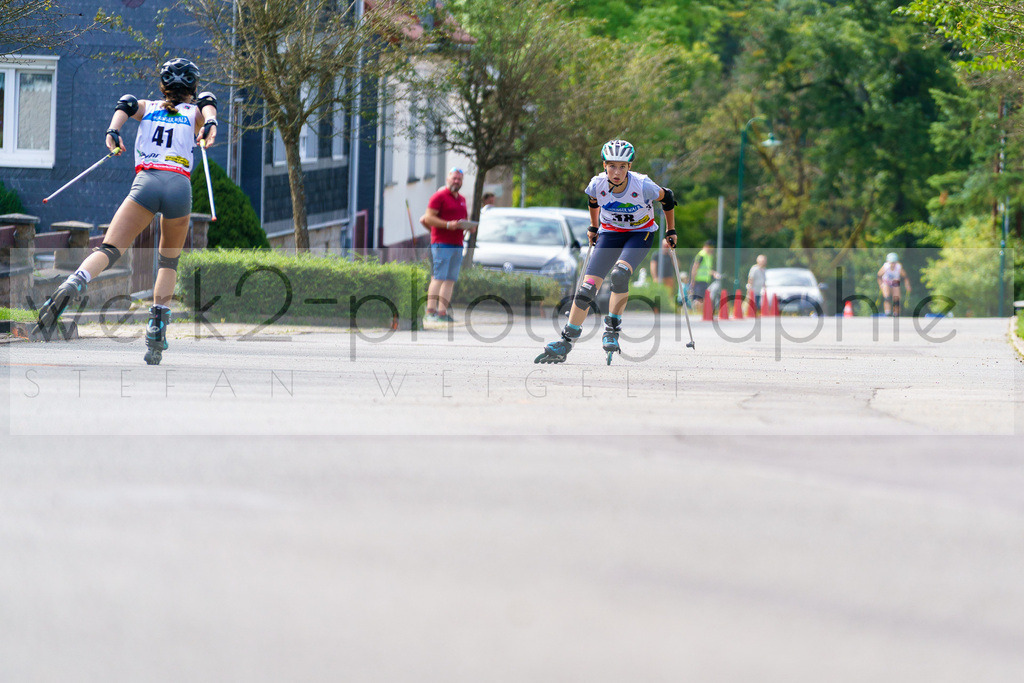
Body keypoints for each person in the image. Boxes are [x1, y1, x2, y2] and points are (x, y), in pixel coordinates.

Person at [35, 58, 218, 365]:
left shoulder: (148, 106)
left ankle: (73, 283)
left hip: (145, 183)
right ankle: (157, 327)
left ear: (163, 87)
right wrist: (210, 123)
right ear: (192, 89)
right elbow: (209, 102)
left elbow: (127, 102)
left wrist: (113, 131)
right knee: (168, 261)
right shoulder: (195, 112)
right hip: (178, 186)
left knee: (110, 248)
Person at [535, 139, 676, 364]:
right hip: (610, 233)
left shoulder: (643, 185)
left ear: (630, 166)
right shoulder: (597, 184)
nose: (617, 172)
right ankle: (566, 340)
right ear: (604, 165)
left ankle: (612, 328)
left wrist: (671, 230)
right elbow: (593, 201)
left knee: (620, 275)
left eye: (622, 166)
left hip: (640, 233)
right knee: (587, 289)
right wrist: (593, 226)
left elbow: (667, 198)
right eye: (612, 165)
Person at [420, 167, 476, 323]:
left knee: (450, 279)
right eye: (454, 178)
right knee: (438, 277)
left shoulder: (462, 199)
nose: (456, 181)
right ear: (447, 179)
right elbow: (428, 218)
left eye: (459, 179)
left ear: (462, 181)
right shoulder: (439, 196)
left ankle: (442, 312)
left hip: (457, 244)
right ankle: (430, 311)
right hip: (441, 243)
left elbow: (462, 219)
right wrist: (446, 225)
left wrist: (469, 226)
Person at [877, 251, 911, 316]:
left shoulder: (899, 267)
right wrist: (880, 284)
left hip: (895, 282)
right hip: (886, 282)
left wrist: (907, 285)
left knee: (896, 299)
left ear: (896, 262)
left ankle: (896, 312)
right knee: (887, 298)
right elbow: (879, 275)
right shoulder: (885, 267)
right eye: (891, 263)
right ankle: (888, 312)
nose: (892, 265)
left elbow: (905, 276)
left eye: (894, 263)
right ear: (888, 262)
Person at [689, 239, 720, 306]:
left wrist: (713, 273)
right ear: (707, 246)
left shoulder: (709, 256)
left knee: (702, 299)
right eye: (711, 247)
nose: (712, 250)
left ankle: (699, 313)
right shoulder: (701, 255)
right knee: (699, 299)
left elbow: (707, 269)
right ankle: (696, 313)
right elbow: (695, 267)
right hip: (699, 280)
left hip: (705, 280)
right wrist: (693, 280)